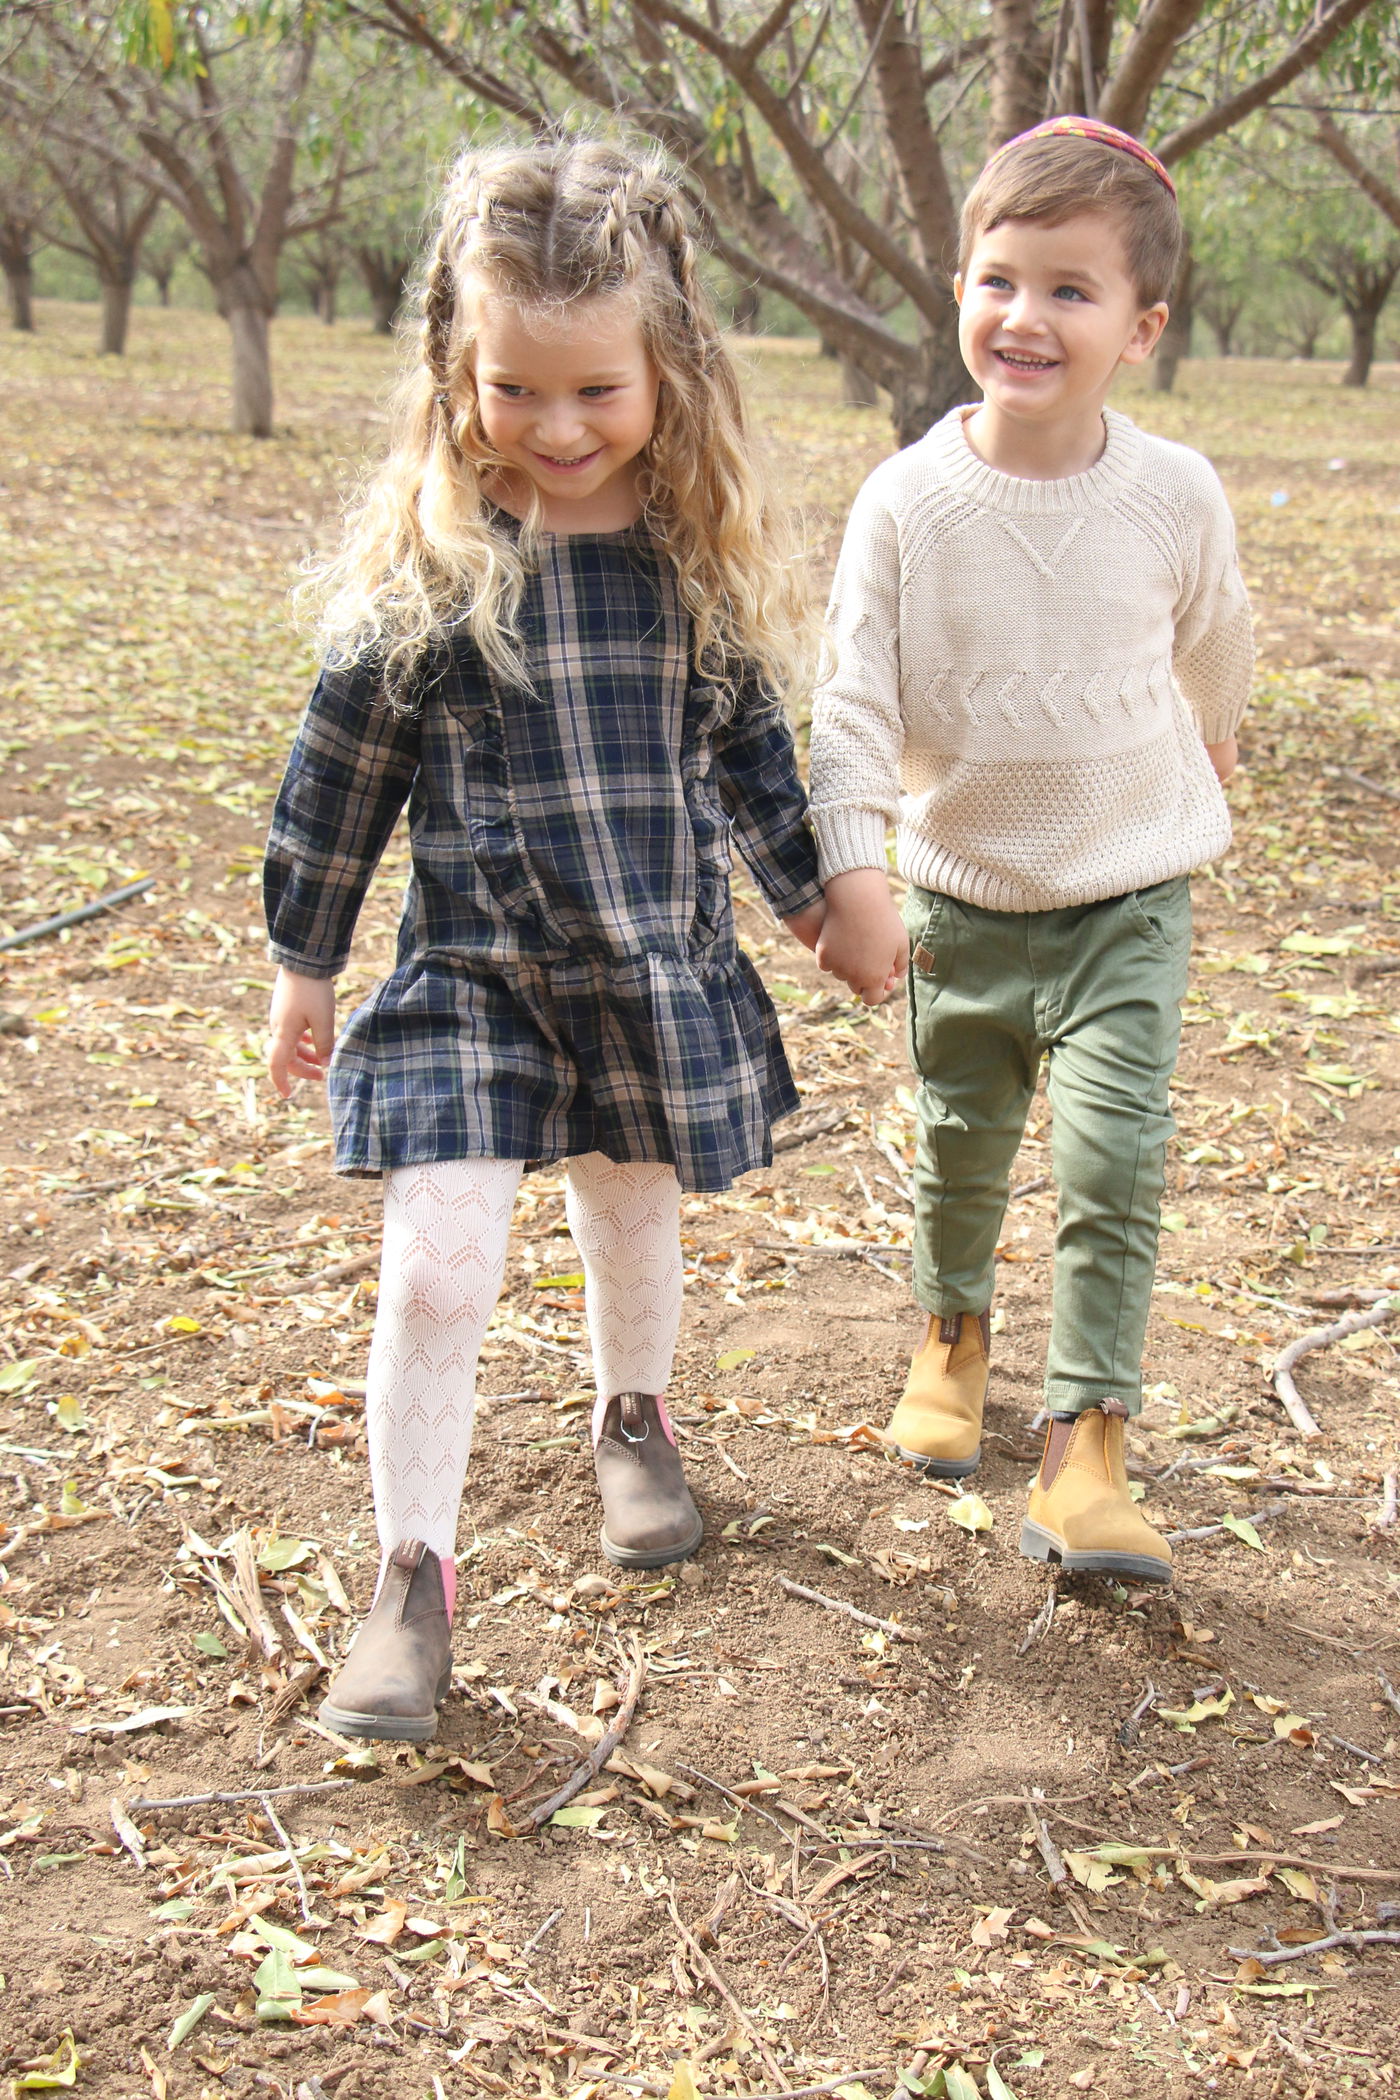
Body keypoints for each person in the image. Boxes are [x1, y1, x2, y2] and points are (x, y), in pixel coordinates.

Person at [264, 139, 824, 1740]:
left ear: (670, 373)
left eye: (598, 393)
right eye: (517, 391)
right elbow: (341, 772)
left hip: (644, 963)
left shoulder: (685, 550)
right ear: (459, 368)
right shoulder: (442, 559)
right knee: (439, 1268)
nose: (559, 432)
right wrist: (304, 959)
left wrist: (818, 900)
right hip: (475, 978)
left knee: (630, 1209)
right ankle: (410, 1578)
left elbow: (751, 753)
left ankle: (631, 1418)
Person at [809, 117, 1253, 1585]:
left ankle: (1089, 1449)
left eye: (1073, 290)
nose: (1028, 316)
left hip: (1130, 889)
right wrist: (853, 869)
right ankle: (951, 1339)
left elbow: (1217, 637)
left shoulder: (1175, 491)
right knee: (962, 1144)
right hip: (961, 891)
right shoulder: (908, 501)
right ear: (956, 289)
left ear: (1144, 326)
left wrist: (1218, 738)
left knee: (1115, 1157)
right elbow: (855, 700)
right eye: (1001, 279)